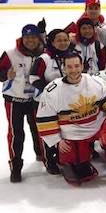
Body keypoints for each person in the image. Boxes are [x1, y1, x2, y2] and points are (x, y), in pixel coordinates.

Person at [35, 53, 106, 185]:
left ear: (82, 66)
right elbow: (44, 119)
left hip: (97, 126)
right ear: (64, 68)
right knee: (77, 171)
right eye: (69, 67)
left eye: (77, 66)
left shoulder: (95, 81)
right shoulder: (52, 90)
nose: (74, 70)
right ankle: (74, 160)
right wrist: (56, 140)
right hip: (72, 133)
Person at [0, 24, 44, 182]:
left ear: (38, 38)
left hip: (35, 100)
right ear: (22, 38)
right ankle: (15, 165)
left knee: (39, 129)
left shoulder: (43, 53)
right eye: (27, 37)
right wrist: (5, 75)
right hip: (14, 100)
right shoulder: (10, 54)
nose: (30, 40)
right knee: (16, 133)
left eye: (33, 37)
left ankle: (41, 155)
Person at [30, 29, 77, 174]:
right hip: (43, 104)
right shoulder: (44, 58)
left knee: (63, 132)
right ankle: (48, 161)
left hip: (65, 103)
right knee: (48, 133)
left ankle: (62, 158)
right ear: (52, 42)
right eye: (59, 40)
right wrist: (51, 90)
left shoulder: (72, 57)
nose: (63, 43)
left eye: (65, 40)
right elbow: (33, 79)